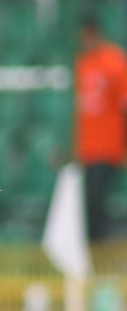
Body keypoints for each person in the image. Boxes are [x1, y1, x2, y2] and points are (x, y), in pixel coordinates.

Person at [75, 14, 127, 241]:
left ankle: (102, 246)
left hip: (108, 145)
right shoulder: (83, 63)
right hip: (88, 147)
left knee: (97, 200)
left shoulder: (115, 61)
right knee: (90, 203)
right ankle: (96, 248)